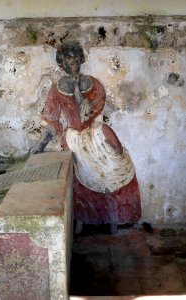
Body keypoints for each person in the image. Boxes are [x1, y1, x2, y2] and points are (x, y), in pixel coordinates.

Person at [31, 42, 141, 230]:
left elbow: (97, 106)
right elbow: (51, 120)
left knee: (118, 164)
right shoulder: (57, 89)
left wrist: (85, 90)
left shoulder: (92, 82)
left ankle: (121, 218)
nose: (71, 61)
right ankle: (90, 222)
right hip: (75, 136)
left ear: (81, 59)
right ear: (60, 63)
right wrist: (40, 145)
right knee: (84, 172)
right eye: (66, 58)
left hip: (96, 132)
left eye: (74, 57)